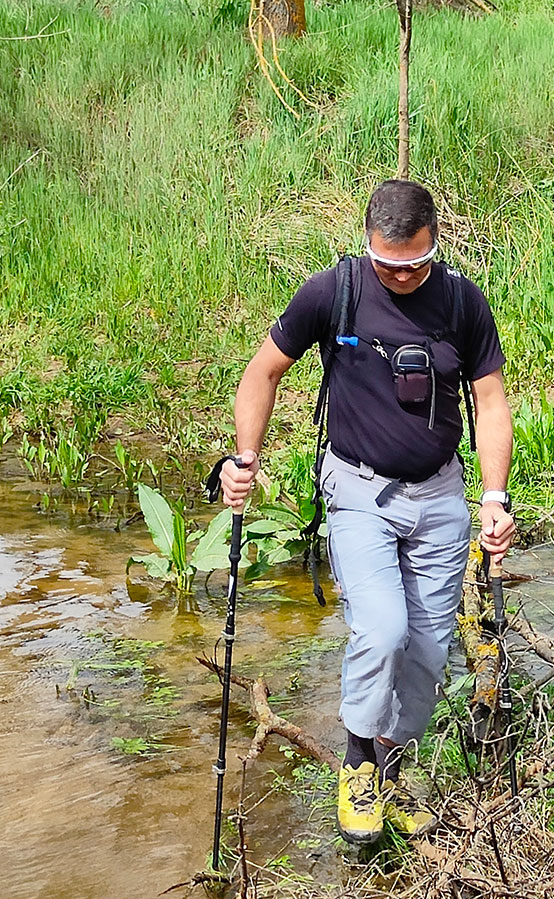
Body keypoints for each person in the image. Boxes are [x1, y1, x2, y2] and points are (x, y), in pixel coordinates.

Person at [215, 179, 516, 843]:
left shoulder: (463, 302)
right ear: (367, 245)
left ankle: (393, 769)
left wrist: (494, 497)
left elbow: (490, 401)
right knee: (382, 628)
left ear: (434, 245)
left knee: (428, 651)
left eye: (412, 265)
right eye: (385, 263)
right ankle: (357, 765)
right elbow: (261, 373)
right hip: (358, 493)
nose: (398, 276)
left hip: (439, 497)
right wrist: (245, 459)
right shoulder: (334, 292)